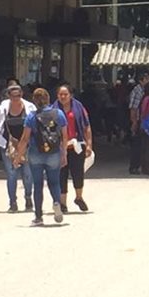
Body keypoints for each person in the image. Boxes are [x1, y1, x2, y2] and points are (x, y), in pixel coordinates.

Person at [14, 91, 66, 225]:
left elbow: (25, 138)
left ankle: (38, 217)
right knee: (54, 182)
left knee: (37, 185)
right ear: (48, 99)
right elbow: (64, 136)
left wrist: (18, 157)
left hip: (35, 153)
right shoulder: (59, 114)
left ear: (35, 101)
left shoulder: (32, 116)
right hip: (53, 152)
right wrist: (64, 153)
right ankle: (56, 202)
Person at [0, 82, 35, 213]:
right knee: (12, 174)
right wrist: (1, 140)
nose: (16, 98)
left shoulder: (29, 107)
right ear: (9, 96)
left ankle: (28, 197)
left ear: (21, 94)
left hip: (26, 144)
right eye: (13, 96)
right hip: (8, 145)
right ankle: (13, 202)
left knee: (27, 174)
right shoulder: (3, 108)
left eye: (18, 95)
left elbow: (34, 125)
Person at [57, 84, 93, 214]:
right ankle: (62, 203)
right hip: (60, 147)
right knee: (61, 174)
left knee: (78, 172)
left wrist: (89, 145)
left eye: (65, 94)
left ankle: (79, 197)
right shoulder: (53, 109)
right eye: (60, 94)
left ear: (70, 95)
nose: (63, 97)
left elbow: (86, 126)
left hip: (77, 146)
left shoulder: (79, 107)